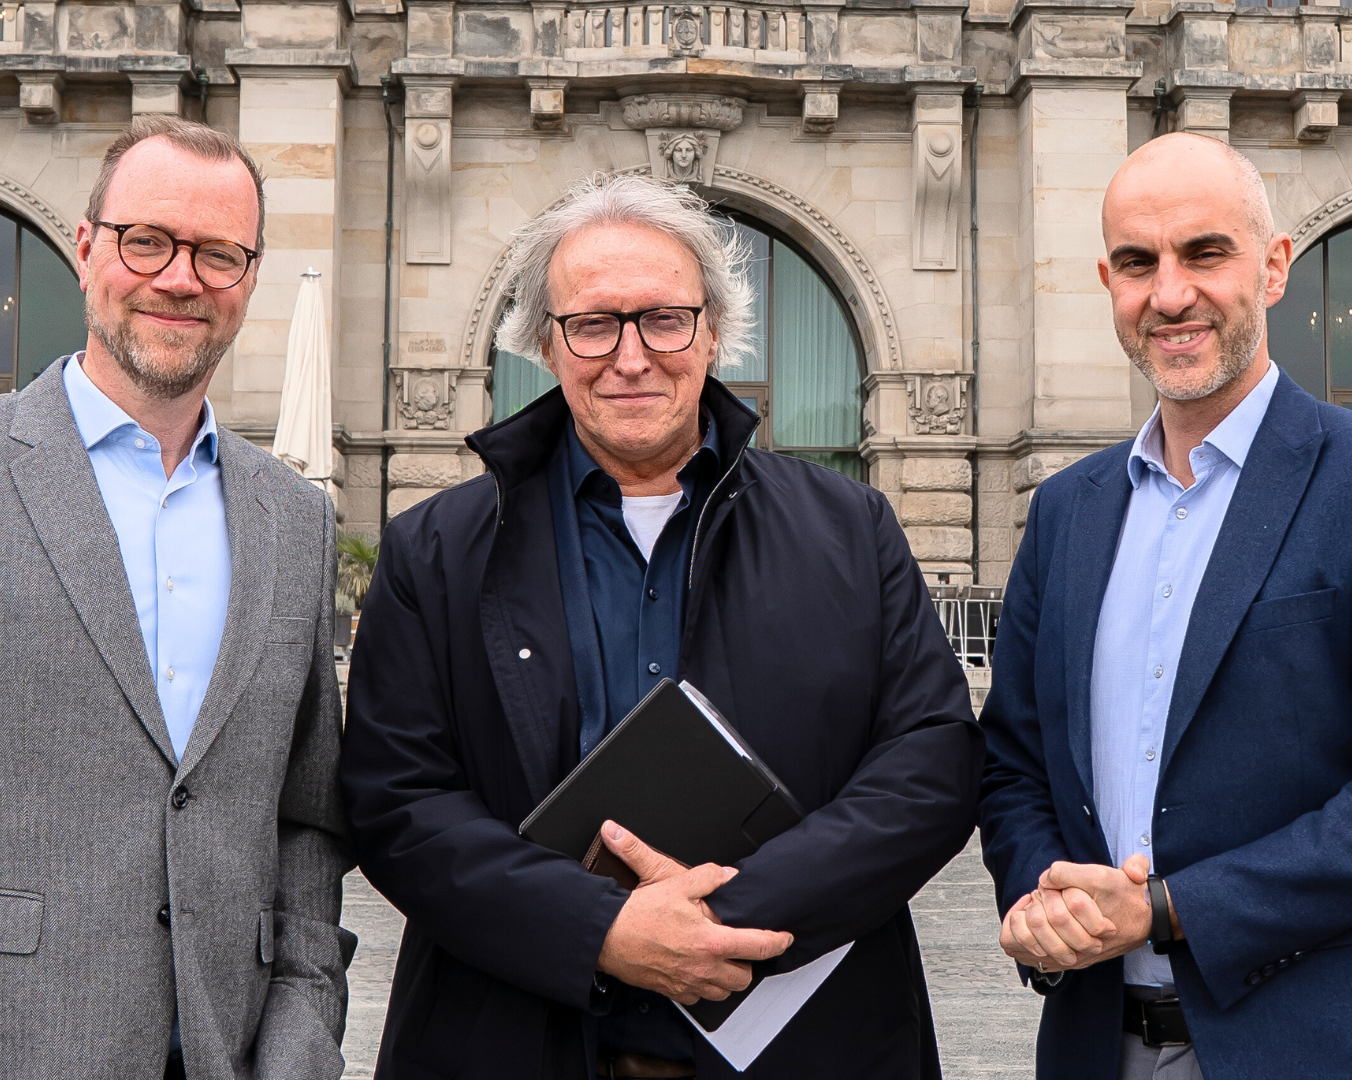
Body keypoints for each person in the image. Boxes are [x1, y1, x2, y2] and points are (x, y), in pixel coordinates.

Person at [340, 174, 983, 1080]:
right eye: (593, 324)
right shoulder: (434, 551)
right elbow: (398, 805)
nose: (631, 357)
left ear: (713, 332)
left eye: (665, 319)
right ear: (545, 346)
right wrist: (599, 929)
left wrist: (715, 922)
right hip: (515, 1039)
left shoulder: (853, 527)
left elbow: (931, 766)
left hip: (805, 1042)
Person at [0, 115, 354, 1080]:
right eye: (147, 240)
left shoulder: (294, 518)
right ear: (86, 251)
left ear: (248, 280)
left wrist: (299, 1036)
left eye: (219, 253)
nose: (181, 277)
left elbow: (307, 819)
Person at [977, 132, 1352, 1080]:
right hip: (1098, 1047)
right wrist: (1039, 897)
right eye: (1138, 263)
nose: (1170, 293)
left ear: (1273, 267)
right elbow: (1013, 763)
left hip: (1322, 1046)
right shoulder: (1068, 510)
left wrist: (1171, 908)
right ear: (1108, 282)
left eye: (1204, 253)